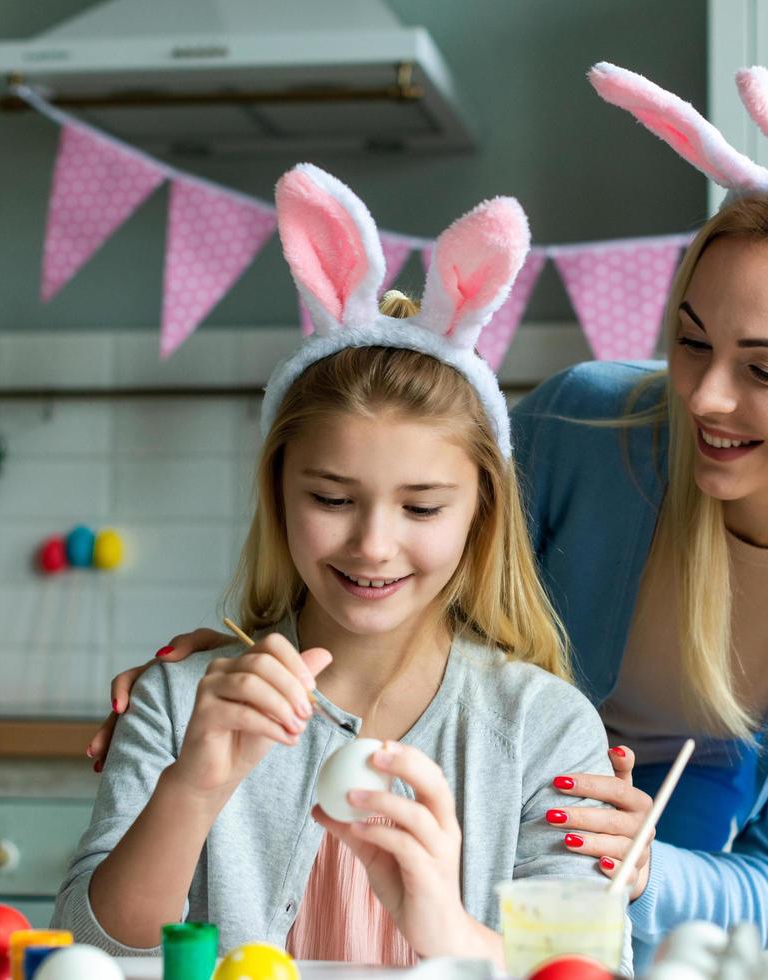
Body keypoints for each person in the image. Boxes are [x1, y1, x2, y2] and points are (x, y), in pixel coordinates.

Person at [87, 66, 768, 961]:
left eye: (767, 371)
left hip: (645, 830)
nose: (703, 396)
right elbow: (410, 548)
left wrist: (634, 871)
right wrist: (257, 644)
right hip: (492, 774)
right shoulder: (585, 425)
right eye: (689, 342)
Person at [54, 163, 622, 968]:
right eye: (330, 498)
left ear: (480, 515)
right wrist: (193, 786)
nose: (372, 545)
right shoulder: (185, 701)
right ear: (278, 494)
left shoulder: (542, 729)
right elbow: (88, 955)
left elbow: (591, 968)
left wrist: (443, 926)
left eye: (422, 508)